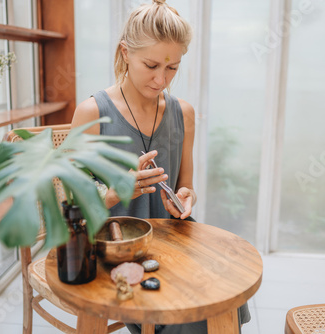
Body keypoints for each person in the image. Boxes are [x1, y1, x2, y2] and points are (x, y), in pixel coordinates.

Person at [71, 0, 250, 333]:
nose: (161, 80)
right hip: (117, 246)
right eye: (151, 65)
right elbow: (68, 206)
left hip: (171, 238)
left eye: (172, 68)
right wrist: (114, 192)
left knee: (226, 287)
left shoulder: (183, 114)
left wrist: (183, 199)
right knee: (194, 312)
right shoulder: (92, 114)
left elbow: (187, 186)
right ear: (125, 52)